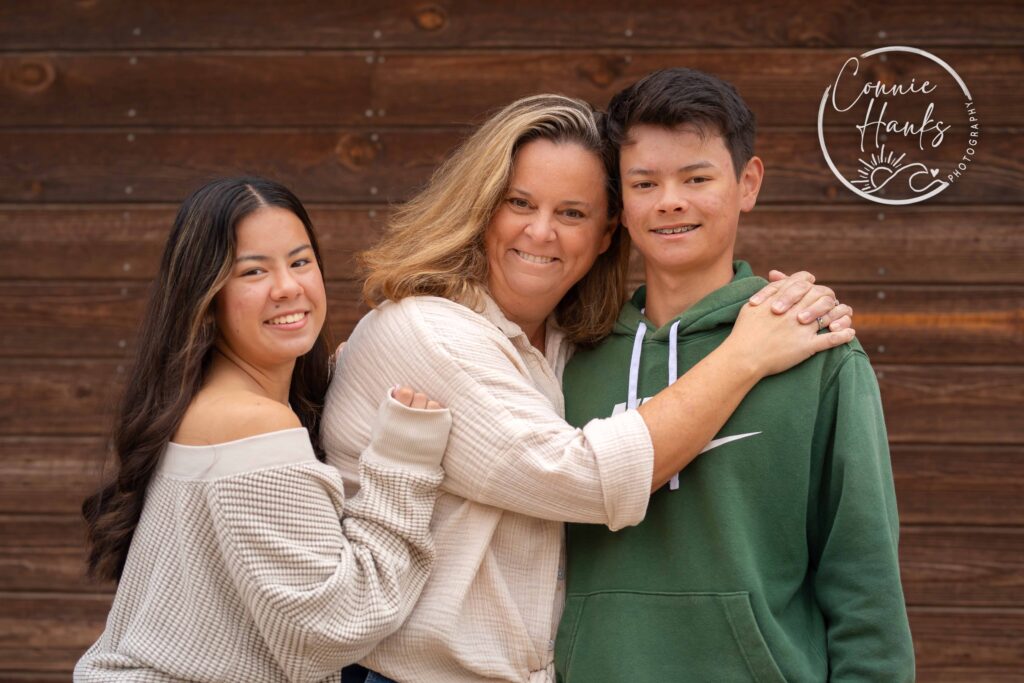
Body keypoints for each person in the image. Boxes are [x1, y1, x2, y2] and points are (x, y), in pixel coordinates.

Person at [326, 95, 857, 683]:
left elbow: (859, 567)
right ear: (479, 208)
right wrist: (744, 354)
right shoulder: (427, 330)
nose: (541, 231)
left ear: (608, 232)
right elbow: (582, 479)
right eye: (518, 203)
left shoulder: (565, 346)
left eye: (573, 213)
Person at [555, 69, 915, 682]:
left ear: (747, 183)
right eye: (645, 182)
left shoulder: (817, 350)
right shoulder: (572, 352)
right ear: (622, 200)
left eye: (697, 178)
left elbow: (863, 577)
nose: (671, 200)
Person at [75, 177, 453, 683]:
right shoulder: (246, 421)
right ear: (205, 295)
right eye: (253, 271)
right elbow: (339, 623)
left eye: (300, 262)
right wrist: (405, 459)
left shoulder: (216, 404)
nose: (288, 288)